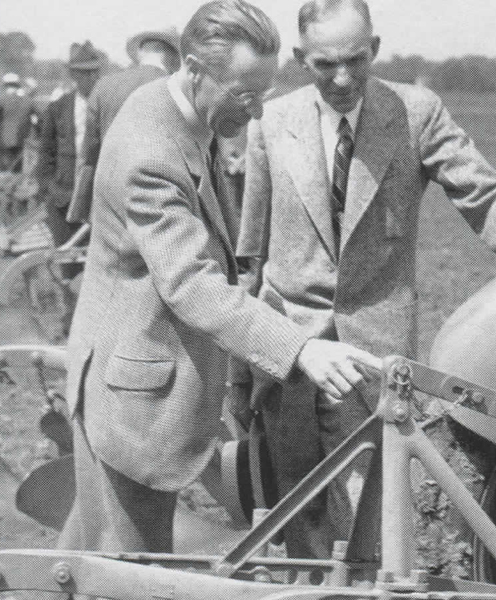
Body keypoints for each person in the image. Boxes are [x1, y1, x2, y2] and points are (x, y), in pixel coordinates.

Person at [238, 0, 496, 558]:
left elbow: (481, 190)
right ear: (299, 58)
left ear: (376, 49)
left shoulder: (415, 113)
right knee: (300, 512)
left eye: (355, 60)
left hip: (375, 356)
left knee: (373, 512)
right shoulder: (269, 123)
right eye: (324, 65)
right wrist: (240, 373)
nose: (342, 78)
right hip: (289, 352)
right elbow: (249, 256)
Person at [58, 0, 379, 553]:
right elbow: (192, 283)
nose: (256, 114)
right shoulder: (149, 154)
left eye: (265, 94)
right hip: (132, 395)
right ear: (192, 67)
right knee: (130, 570)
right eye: (244, 95)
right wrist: (299, 348)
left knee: (92, 552)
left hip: (140, 374)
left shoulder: (175, 107)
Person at [68, 29, 182, 224]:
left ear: (139, 55)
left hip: (109, 199)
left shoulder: (104, 86)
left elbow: (88, 156)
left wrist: (80, 208)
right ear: (172, 58)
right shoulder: (175, 86)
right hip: (159, 202)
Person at [36, 41, 103, 246]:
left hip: (98, 200)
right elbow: (46, 154)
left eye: (94, 73)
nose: (92, 78)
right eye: (85, 74)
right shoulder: (58, 108)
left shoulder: (106, 106)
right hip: (63, 197)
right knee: (67, 260)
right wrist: (49, 188)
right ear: (74, 75)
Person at [0, 73, 35, 172]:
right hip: (23, 141)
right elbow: (41, 120)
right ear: (18, 85)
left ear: (5, 86)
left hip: (3, 141)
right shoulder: (28, 101)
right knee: (17, 170)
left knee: (4, 172)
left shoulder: (2, 100)